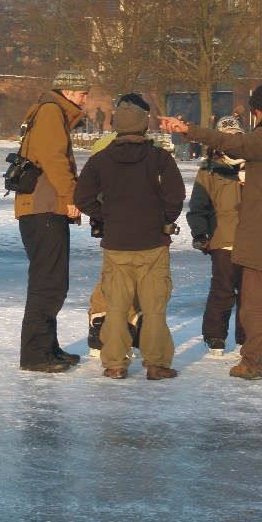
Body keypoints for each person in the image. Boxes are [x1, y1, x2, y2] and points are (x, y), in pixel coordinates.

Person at [161, 77, 262, 380]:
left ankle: (252, 362)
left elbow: (230, 143)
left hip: (261, 231)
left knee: (255, 300)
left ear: (260, 111)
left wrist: (188, 129)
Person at [74, 99, 186, 380]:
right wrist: (163, 220)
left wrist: (107, 215)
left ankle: (114, 364)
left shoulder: (100, 159)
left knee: (116, 308)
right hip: (154, 242)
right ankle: (157, 363)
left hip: (117, 242)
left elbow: (82, 197)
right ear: (143, 127)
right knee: (154, 307)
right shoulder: (160, 157)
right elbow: (176, 196)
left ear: (116, 129)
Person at [14, 69, 87, 373]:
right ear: (69, 92)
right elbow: (54, 158)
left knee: (52, 281)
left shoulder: (50, 111)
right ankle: (35, 354)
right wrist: (72, 198)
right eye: (84, 93)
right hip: (43, 208)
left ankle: (48, 346)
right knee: (48, 283)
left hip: (42, 207)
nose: (86, 99)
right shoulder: (50, 112)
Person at [84, 94, 158, 357]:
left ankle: (107, 321)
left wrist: (100, 212)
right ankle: (107, 322)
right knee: (127, 273)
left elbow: (90, 185)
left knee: (114, 269)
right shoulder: (148, 146)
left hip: (109, 216)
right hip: (136, 220)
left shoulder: (102, 144)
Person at [187, 116, 247, 355]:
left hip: (253, 240)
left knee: (250, 294)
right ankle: (215, 336)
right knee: (222, 290)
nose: (232, 142)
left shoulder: (255, 165)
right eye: (227, 137)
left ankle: (247, 337)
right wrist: (200, 233)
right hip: (223, 239)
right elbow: (199, 205)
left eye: (237, 137)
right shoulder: (209, 169)